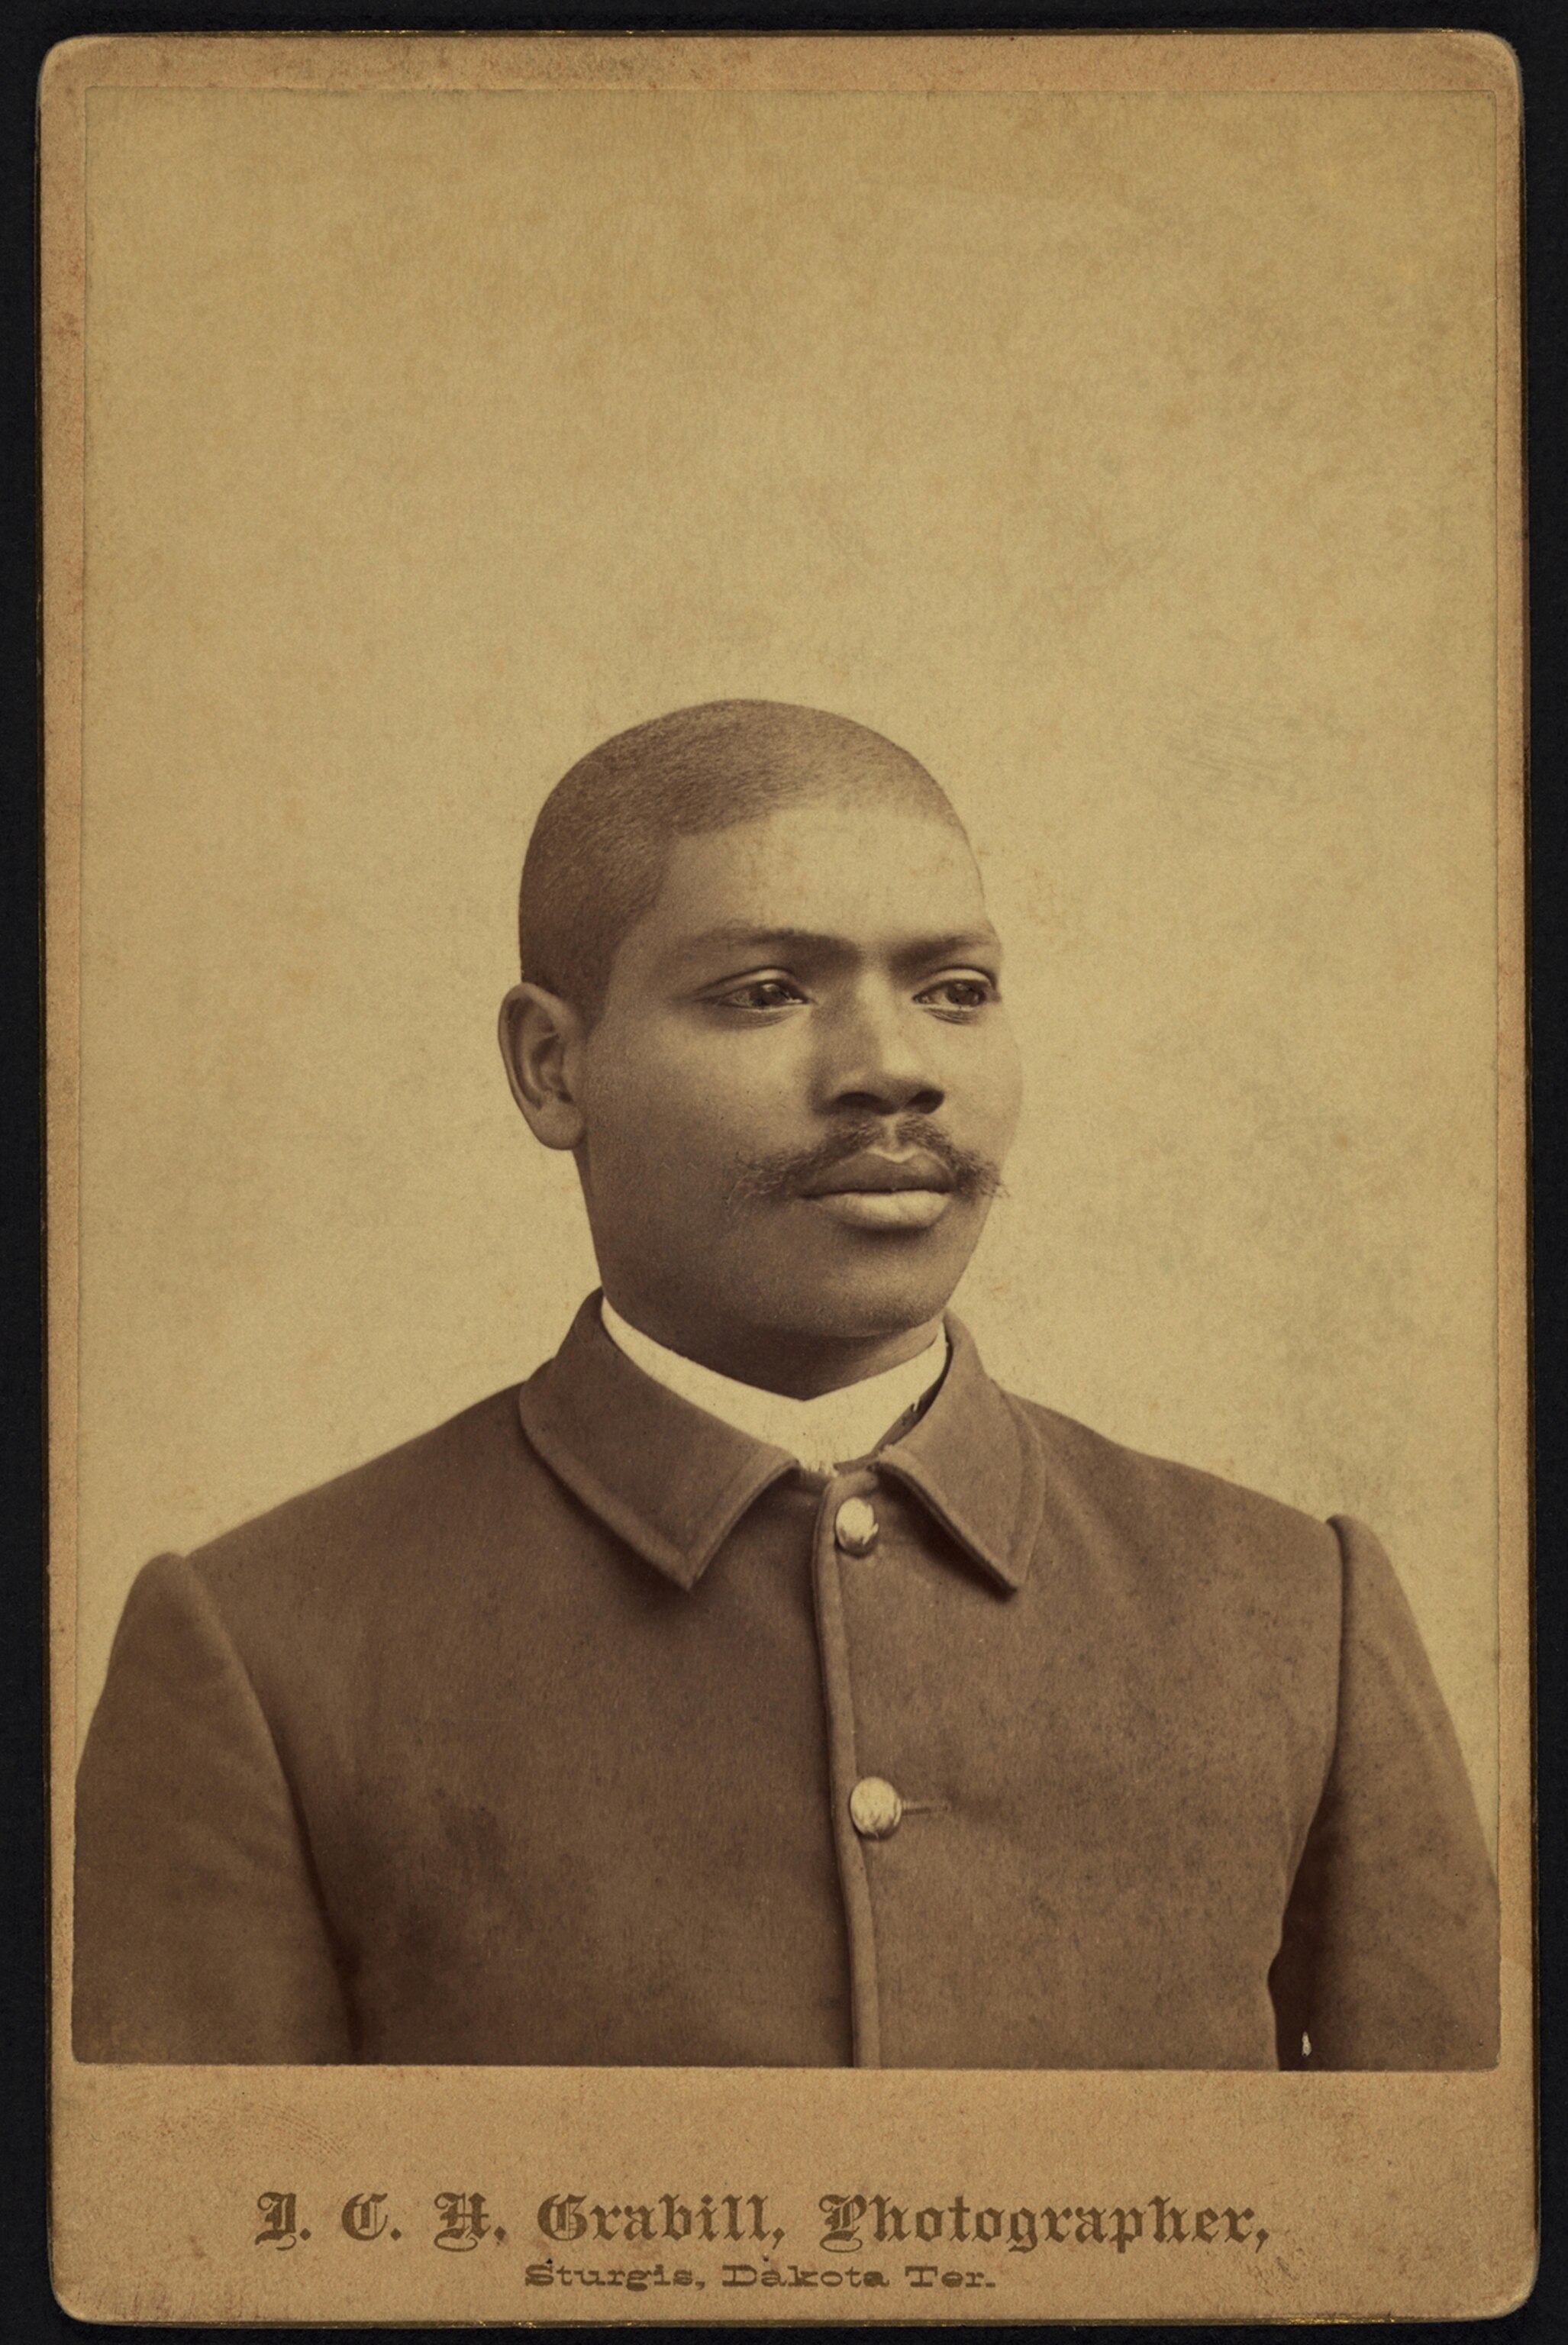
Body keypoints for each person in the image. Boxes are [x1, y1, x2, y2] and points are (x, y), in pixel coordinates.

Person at [73, 699, 1499, 2069]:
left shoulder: (1292, 1609)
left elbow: (1427, 2252)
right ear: (551, 1067)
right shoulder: (261, 1650)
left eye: (957, 992)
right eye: (764, 993)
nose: (893, 1069)